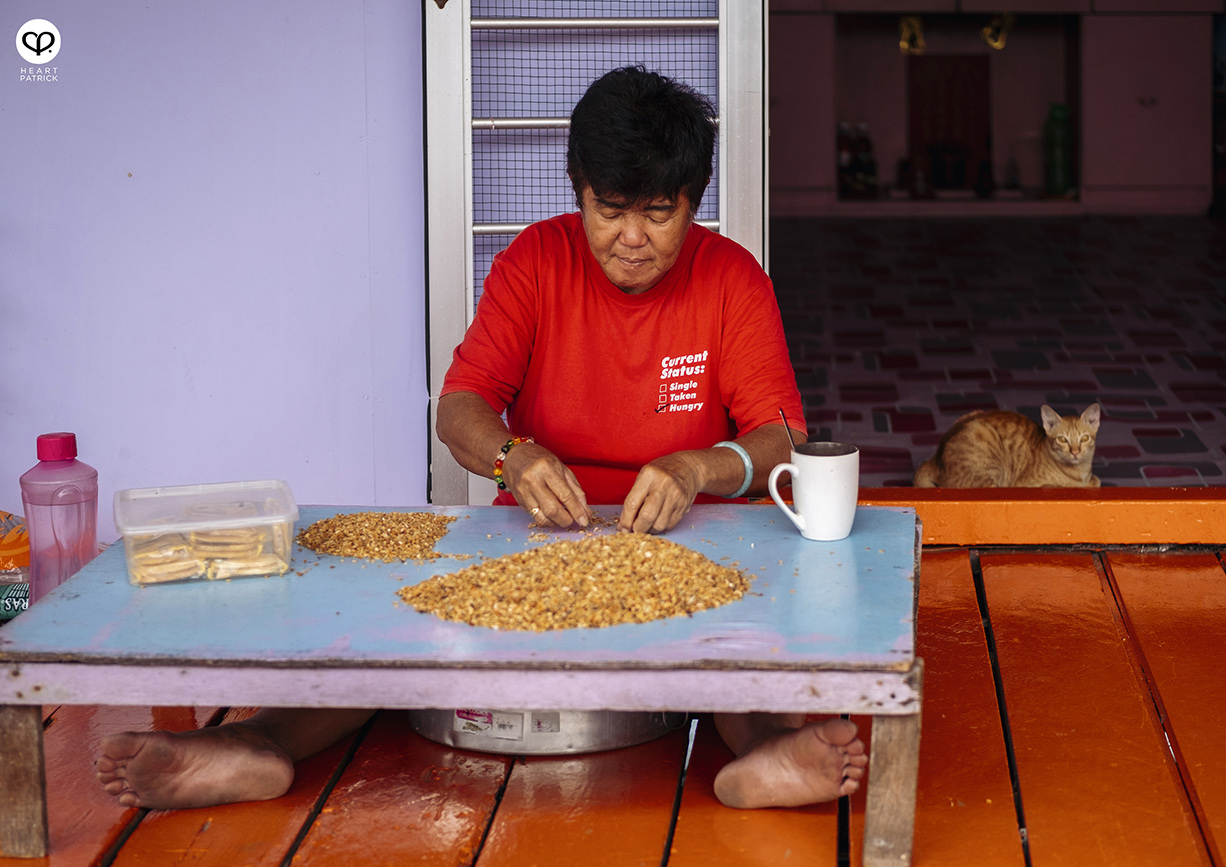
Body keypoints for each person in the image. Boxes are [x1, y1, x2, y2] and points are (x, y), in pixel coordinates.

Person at [95, 66, 865, 813]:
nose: (632, 237)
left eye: (659, 213)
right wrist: (511, 455)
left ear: (695, 202)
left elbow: (782, 433)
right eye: (610, 208)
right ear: (577, 188)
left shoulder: (730, 277)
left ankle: (764, 750)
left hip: (694, 537)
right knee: (400, 641)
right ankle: (258, 744)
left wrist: (698, 467)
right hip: (528, 538)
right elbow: (460, 405)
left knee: (722, 638)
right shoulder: (535, 261)